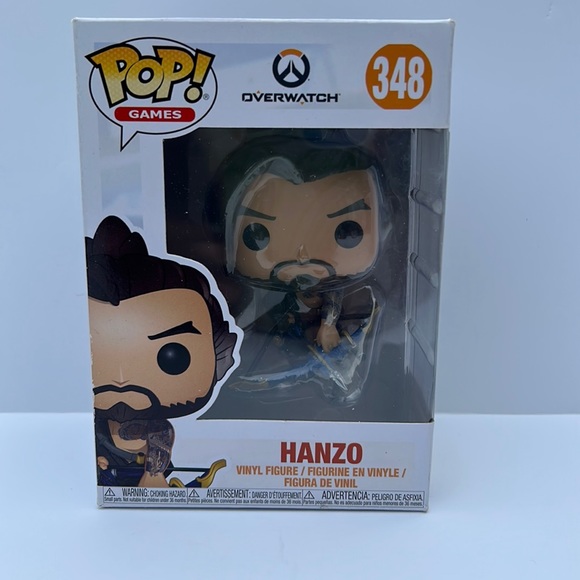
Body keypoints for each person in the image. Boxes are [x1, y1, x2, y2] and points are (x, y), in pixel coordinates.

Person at [87, 216, 238, 487]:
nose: (121, 381)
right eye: (92, 358)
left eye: (173, 357)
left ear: (220, 355)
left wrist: (154, 477)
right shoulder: (86, 424)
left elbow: (155, 476)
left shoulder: (159, 432)